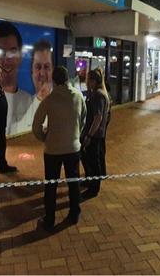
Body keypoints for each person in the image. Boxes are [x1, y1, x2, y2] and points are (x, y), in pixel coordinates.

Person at [32, 66, 86, 230]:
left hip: (53, 150)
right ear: (68, 78)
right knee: (73, 182)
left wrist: (45, 138)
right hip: (73, 147)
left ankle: (49, 219)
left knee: (51, 185)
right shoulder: (78, 96)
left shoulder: (49, 99)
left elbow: (36, 126)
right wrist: (76, 134)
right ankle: (74, 214)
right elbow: (84, 118)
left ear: (53, 80)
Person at [0, 21, 32, 135]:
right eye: (0, 52)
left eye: (13, 51)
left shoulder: (28, 101)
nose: (7, 59)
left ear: (20, 56)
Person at [80, 68, 111, 199]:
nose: (86, 82)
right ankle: (90, 180)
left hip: (95, 134)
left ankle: (94, 188)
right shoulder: (98, 93)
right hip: (95, 133)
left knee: (93, 161)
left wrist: (89, 135)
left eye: (88, 80)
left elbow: (98, 117)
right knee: (89, 158)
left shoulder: (98, 95)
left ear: (93, 81)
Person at [17, 39, 54, 132]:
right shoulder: (23, 105)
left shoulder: (62, 101)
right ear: (31, 72)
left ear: (53, 70)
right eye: (38, 67)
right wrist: (39, 99)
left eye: (46, 67)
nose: (42, 73)